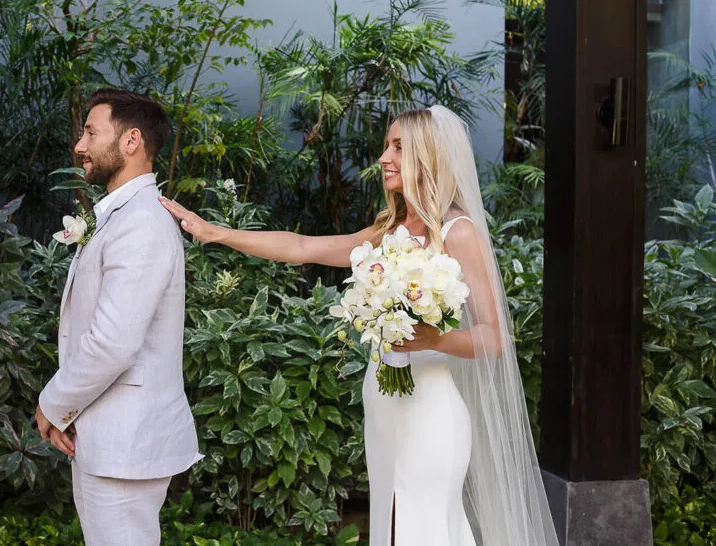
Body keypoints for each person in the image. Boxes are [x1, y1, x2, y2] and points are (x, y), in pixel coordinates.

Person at [159, 106, 559, 546]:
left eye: (399, 147)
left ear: (429, 156)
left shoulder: (458, 232)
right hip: (384, 406)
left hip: (431, 413)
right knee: (391, 529)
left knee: (425, 530)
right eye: (387, 146)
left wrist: (434, 338)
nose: (384, 157)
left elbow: (493, 337)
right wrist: (217, 233)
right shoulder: (388, 231)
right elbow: (302, 247)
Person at [37, 88, 202, 546]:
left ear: (131, 141)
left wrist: (53, 404)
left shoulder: (141, 223)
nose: (80, 145)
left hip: (126, 445)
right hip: (109, 438)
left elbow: (112, 342)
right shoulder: (122, 216)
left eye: (91, 133)